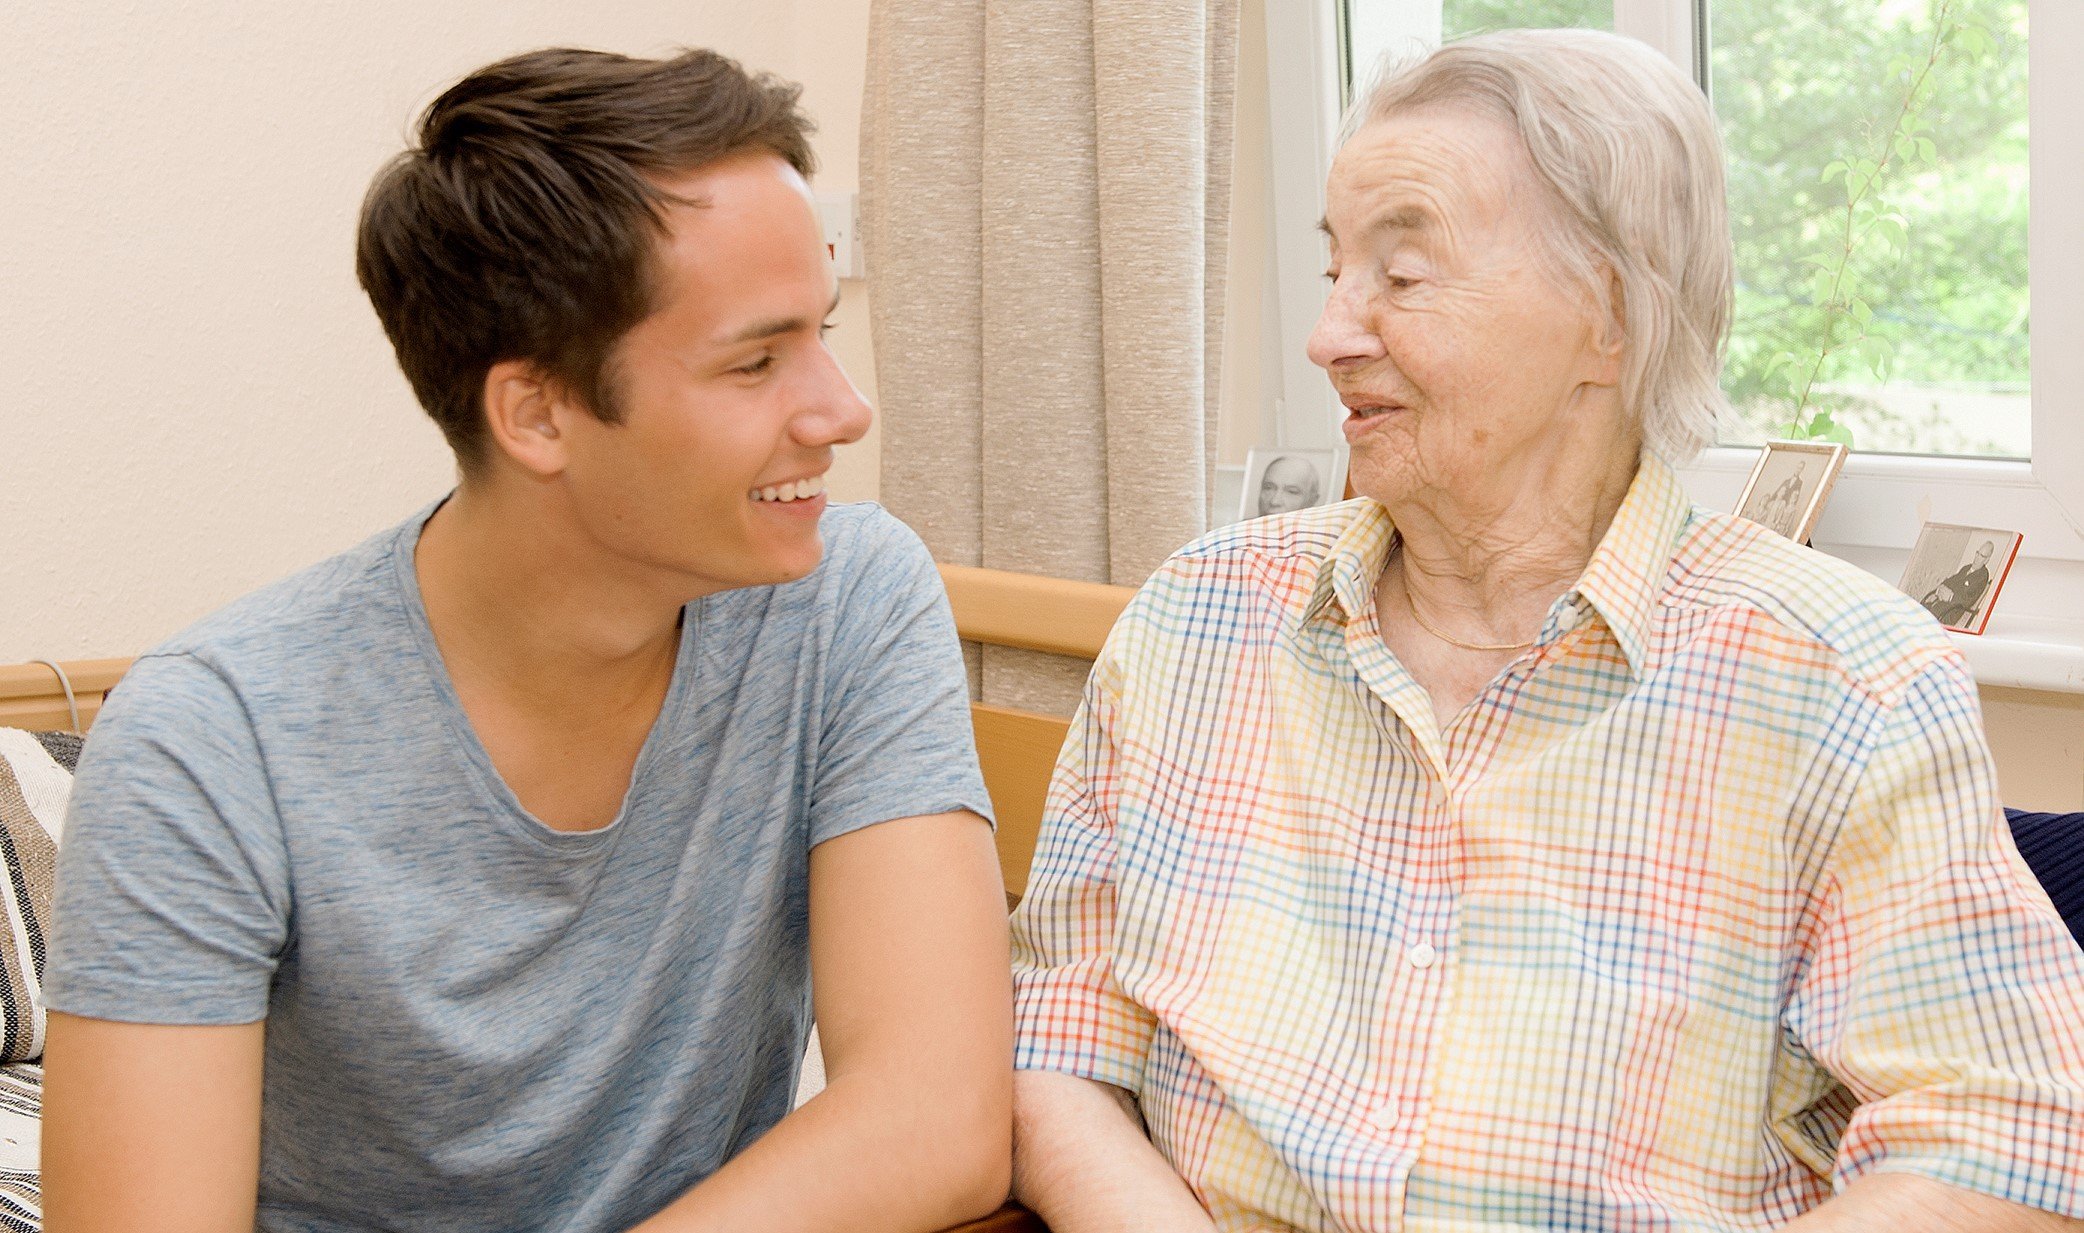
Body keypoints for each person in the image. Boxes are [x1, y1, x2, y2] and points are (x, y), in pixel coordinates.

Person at [1007, 29, 2084, 1233]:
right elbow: (1060, 1040)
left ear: (1606, 316)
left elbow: (2004, 1144)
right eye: (1333, 274)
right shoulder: (1196, 620)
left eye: (1401, 277)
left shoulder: (1845, 684)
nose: (1328, 335)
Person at [44, 49, 1011, 1233]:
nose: (842, 410)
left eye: (820, 329)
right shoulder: (210, 739)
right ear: (538, 412)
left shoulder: (845, 599)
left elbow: (935, 1117)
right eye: (757, 361)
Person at [1923, 539, 1997, 626]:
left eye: (1981, 556)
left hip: (1951, 612)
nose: (1977, 557)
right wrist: (1940, 589)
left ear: (1987, 560)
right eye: (1977, 553)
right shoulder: (1966, 568)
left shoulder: (1982, 576)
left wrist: (1951, 597)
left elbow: (1968, 601)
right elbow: (1950, 581)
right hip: (1940, 603)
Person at [1255, 455, 1325, 517]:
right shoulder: (1244, 528)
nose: (1274, 502)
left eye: (1291, 492)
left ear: (1312, 501)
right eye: (1268, 488)